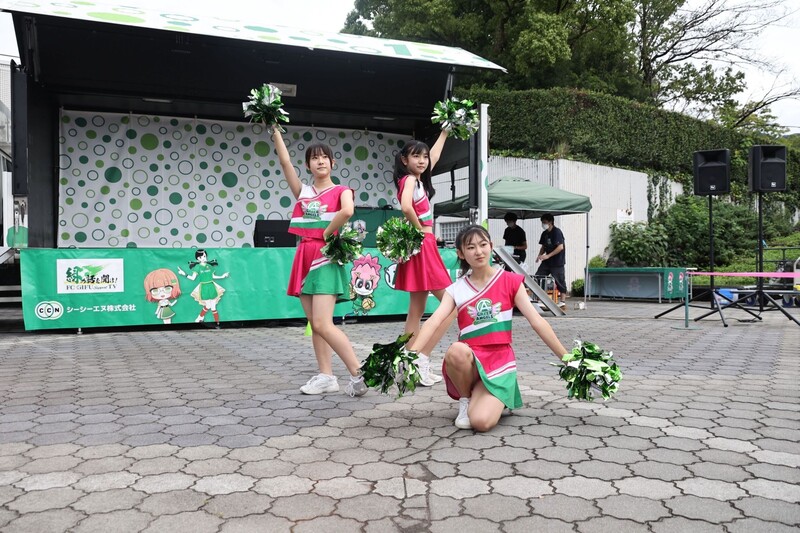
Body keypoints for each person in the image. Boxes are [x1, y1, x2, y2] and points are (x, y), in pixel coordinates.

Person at [410, 225, 568, 432]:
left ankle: (495, 397)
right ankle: (466, 398)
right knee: (456, 350)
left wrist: (567, 359)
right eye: (471, 247)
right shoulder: (456, 289)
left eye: (483, 245)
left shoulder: (511, 281)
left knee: (481, 423)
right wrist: (411, 356)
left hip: (499, 362)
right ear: (461, 253)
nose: (478, 251)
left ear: (491, 246)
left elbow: (537, 322)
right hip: (471, 362)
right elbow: (433, 321)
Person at [268, 128, 367, 397]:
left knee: (323, 323)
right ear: (308, 165)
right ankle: (326, 376)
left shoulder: (342, 190)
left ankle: (359, 373)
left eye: (324, 157)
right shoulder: (303, 191)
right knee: (314, 322)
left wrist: (326, 233)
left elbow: (348, 210)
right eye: (314, 158)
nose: (320, 161)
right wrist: (275, 131)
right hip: (304, 254)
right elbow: (285, 162)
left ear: (333, 163)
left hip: (325, 256)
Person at [393, 130, 455, 386]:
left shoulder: (418, 179)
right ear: (404, 160)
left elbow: (435, 156)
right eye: (415, 156)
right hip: (423, 244)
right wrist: (420, 230)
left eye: (424, 157)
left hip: (421, 245)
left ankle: (409, 364)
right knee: (452, 304)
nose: (422, 160)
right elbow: (406, 206)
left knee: (415, 311)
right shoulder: (409, 180)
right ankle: (421, 357)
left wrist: (445, 132)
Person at [178, 249, 228, 328]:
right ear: (198, 258)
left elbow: (213, 276)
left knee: (213, 307)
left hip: (211, 286)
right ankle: (200, 318)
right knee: (208, 305)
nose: (205, 258)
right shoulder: (197, 267)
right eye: (203, 256)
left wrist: (222, 276)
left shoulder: (209, 266)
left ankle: (216, 323)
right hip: (204, 288)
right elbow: (193, 278)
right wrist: (184, 274)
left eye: (205, 256)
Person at [535, 213, 567, 306]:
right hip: (547, 261)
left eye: (545, 222)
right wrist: (539, 255)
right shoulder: (544, 233)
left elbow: (560, 247)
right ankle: (541, 299)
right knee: (539, 277)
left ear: (550, 222)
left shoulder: (557, 232)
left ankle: (562, 301)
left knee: (559, 280)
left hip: (557, 261)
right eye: (542, 222)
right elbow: (543, 246)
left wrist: (548, 256)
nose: (543, 224)